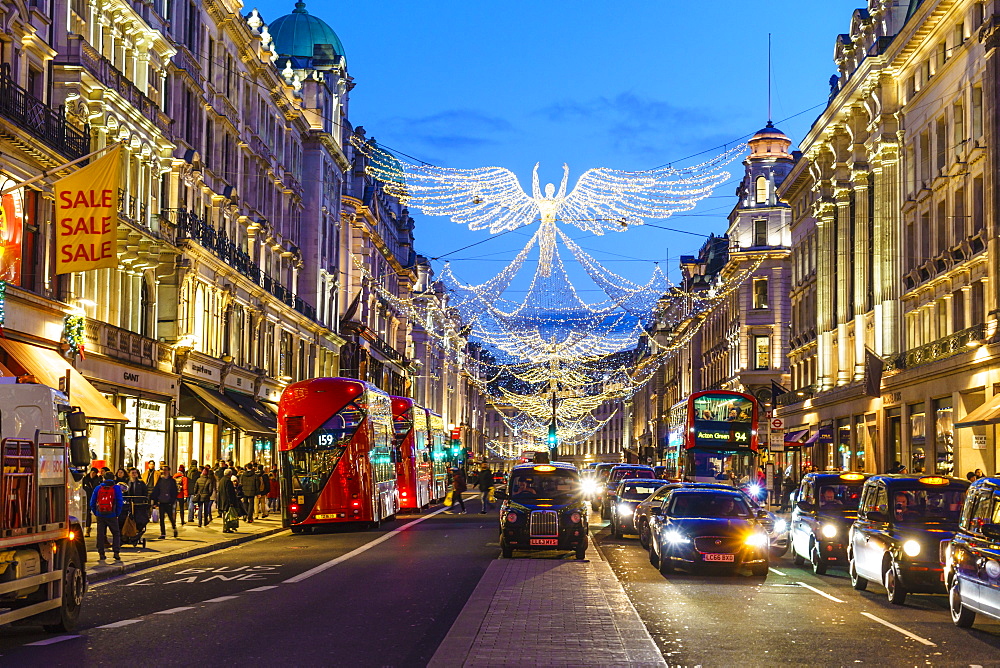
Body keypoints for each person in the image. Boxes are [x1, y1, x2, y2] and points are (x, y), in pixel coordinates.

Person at [90, 471, 124, 561]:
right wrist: (117, 513)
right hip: (112, 514)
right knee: (116, 533)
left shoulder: (98, 488)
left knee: (100, 534)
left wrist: (96, 512)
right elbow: (120, 502)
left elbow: (92, 502)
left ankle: (101, 553)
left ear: (103, 478)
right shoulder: (116, 488)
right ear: (114, 478)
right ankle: (116, 552)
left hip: (100, 515)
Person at [151, 466, 179, 539]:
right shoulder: (160, 480)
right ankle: (163, 533)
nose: (164, 471)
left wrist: (172, 500)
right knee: (161, 518)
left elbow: (174, 491)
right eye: (163, 470)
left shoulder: (172, 481)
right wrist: (155, 501)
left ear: (169, 471)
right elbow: (156, 490)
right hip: (161, 501)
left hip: (169, 502)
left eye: (166, 470)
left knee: (170, 517)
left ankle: (174, 528)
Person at [217, 469, 239, 533]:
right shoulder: (228, 481)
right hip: (227, 500)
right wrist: (231, 502)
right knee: (228, 515)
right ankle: (226, 527)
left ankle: (225, 527)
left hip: (222, 499)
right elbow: (229, 492)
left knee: (225, 514)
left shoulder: (221, 480)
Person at [82, 467, 100, 537]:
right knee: (88, 514)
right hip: (87, 498)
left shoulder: (97, 480)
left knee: (97, 514)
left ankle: (99, 530)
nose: (93, 474)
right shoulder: (85, 479)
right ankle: (87, 530)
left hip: (95, 498)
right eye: (92, 472)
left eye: (94, 473)